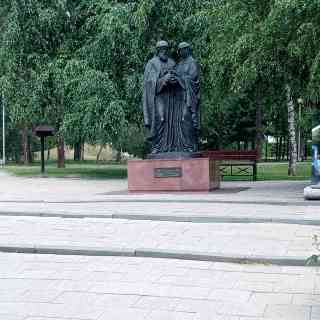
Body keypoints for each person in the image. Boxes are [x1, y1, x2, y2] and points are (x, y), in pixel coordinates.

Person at [143, 40, 178, 154]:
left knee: (171, 121)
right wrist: (164, 80)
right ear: (158, 51)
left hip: (171, 97)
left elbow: (178, 77)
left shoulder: (172, 63)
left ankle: (170, 146)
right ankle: (157, 146)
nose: (164, 51)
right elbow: (149, 83)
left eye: (166, 49)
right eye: (162, 49)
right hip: (158, 97)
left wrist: (174, 80)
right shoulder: (152, 63)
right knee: (161, 119)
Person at [175, 42, 201, 152]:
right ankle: (181, 145)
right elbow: (177, 75)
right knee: (178, 120)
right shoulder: (180, 64)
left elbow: (193, 77)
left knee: (186, 117)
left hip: (189, 96)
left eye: (182, 49)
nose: (181, 52)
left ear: (187, 49)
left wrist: (179, 78)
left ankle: (190, 145)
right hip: (179, 97)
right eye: (179, 50)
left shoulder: (193, 62)